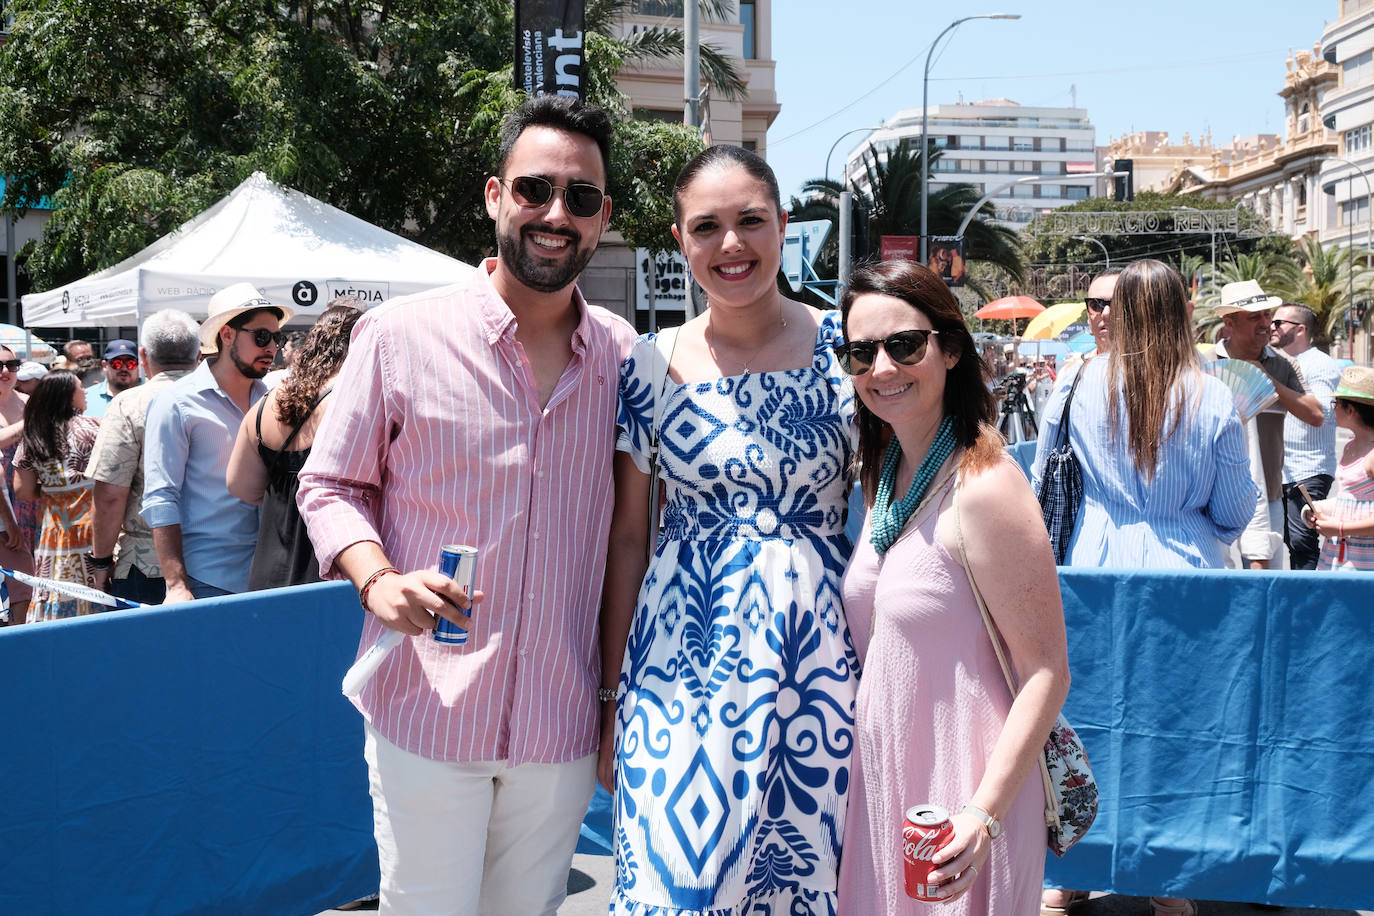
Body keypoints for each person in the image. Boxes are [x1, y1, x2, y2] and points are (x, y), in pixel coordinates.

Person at [297, 95, 633, 916]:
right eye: (534, 190)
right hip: (425, 709)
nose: (556, 214)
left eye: (580, 198)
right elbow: (330, 483)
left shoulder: (626, 360)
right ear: (494, 196)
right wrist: (378, 580)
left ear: (603, 218)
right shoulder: (399, 335)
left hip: (559, 724)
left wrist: (614, 705)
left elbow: (633, 536)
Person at [598, 144, 858, 914]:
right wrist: (613, 699)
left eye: (750, 221)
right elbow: (626, 541)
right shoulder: (649, 364)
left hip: (822, 669)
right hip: (678, 671)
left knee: (807, 884)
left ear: (784, 225)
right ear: (680, 241)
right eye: (706, 227)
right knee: (673, 887)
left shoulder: (849, 348)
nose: (731, 245)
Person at [833, 259, 1069, 915]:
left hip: (962, 802)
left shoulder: (985, 485)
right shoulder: (886, 472)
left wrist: (982, 817)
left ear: (952, 348)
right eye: (861, 352)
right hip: (891, 789)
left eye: (904, 345)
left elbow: (1047, 669)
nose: (882, 368)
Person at [1032, 259, 1260, 916]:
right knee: (1175, 730)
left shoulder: (1075, 381)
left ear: (1121, 313)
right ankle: (1165, 884)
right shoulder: (1213, 396)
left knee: (1084, 725)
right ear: (1184, 311)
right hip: (1187, 579)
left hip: (1088, 571)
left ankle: (1069, 874)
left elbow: (1045, 479)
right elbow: (1234, 511)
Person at [143, 283, 290, 601]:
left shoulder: (273, 400)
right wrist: (177, 585)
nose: (272, 348)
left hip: (273, 575)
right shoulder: (176, 403)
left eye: (277, 338)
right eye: (262, 337)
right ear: (226, 335)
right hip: (208, 579)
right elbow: (160, 498)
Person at [227, 301, 361, 589]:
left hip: (268, 574)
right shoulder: (355, 402)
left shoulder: (265, 405)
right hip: (332, 574)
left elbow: (239, 486)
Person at [84, 310, 202, 605]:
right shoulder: (224, 397)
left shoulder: (128, 404)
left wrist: (100, 563)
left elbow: (111, 494)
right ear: (199, 355)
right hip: (222, 558)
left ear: (143, 356)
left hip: (147, 563)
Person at [1212, 280, 1322, 569]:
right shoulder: (1206, 362)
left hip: (1266, 489)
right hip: (1212, 488)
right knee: (1216, 572)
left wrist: (1269, 382)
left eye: (1266, 314)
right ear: (1229, 323)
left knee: (1264, 574)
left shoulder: (1283, 364)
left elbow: (1316, 415)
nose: (1266, 323)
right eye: (1254, 317)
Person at [13, 370, 101, 621]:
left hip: (55, 532)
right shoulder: (95, 427)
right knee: (96, 591)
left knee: (54, 591)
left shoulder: (35, 434)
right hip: (93, 524)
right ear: (66, 396)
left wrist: (55, 489)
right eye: (79, 388)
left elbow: (23, 490)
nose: (85, 391)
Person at [1270, 302, 1342, 569]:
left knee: (1302, 543)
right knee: (1285, 542)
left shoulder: (1319, 365)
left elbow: (1321, 415)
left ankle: (1311, 603)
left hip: (1309, 468)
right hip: (1281, 470)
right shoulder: (1277, 362)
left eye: (1278, 323)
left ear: (1300, 329)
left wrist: (1277, 387)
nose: (1271, 327)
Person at [1304, 365, 1374, 571]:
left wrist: (1340, 528)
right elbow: (1353, 499)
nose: (1332, 408)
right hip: (1344, 555)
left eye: (1336, 403)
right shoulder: (1351, 445)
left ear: (1351, 409)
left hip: (1364, 561)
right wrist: (1317, 508)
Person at [0, 349, 36, 622]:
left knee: (28, 588)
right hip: (5, 514)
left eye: (11, 365)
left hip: (30, 508)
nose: (5, 371)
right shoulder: (33, 413)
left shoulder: (28, 404)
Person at [84, 339, 142, 419]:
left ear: (139, 365)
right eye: (117, 364)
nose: (124, 368)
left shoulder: (151, 394)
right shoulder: (86, 398)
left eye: (130, 364)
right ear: (105, 365)